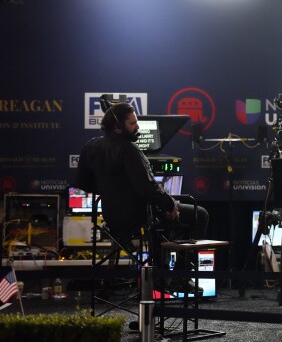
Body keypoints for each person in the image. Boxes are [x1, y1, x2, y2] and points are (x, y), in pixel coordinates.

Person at [75, 102, 209, 271]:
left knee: (162, 212)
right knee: (199, 214)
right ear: (117, 127)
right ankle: (178, 275)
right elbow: (147, 189)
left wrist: (109, 191)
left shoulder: (90, 147)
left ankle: (162, 273)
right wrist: (170, 204)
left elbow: (82, 182)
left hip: (112, 219)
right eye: (132, 123)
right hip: (140, 217)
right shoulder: (129, 150)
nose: (137, 126)